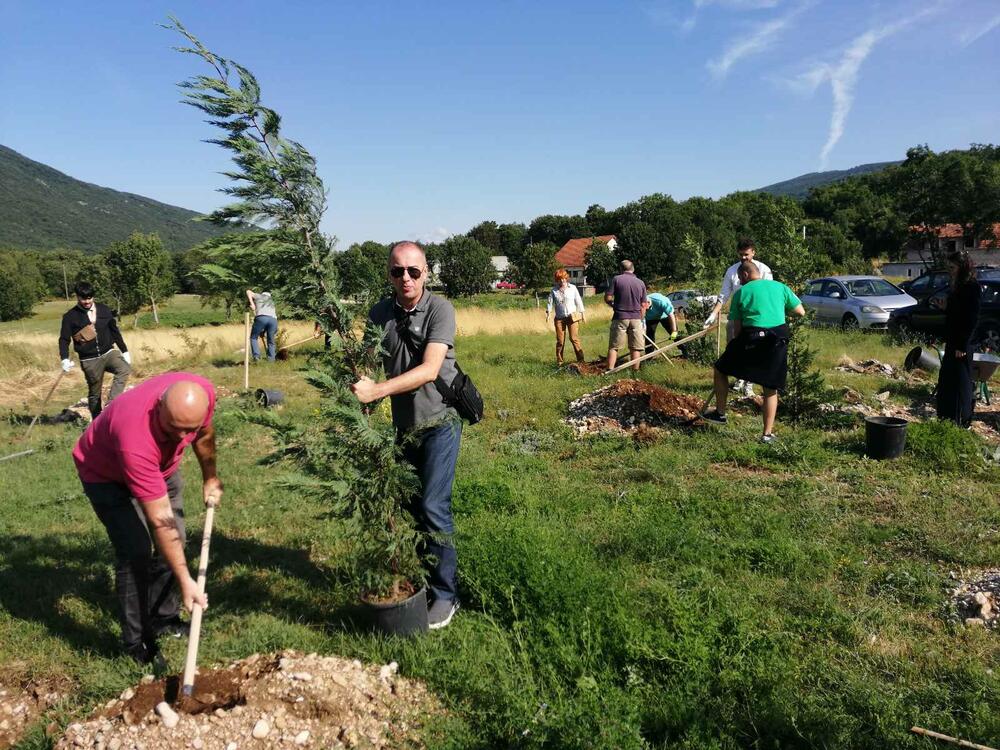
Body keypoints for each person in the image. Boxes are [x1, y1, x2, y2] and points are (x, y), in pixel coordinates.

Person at [350, 241, 462, 630]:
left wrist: (377, 391)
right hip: (404, 427)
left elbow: (431, 368)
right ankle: (425, 574)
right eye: (398, 271)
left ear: (426, 273)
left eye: (414, 271)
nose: (406, 278)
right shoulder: (380, 312)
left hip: (439, 423)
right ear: (389, 274)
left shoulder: (440, 309)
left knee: (433, 506)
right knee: (413, 508)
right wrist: (356, 383)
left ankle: (446, 595)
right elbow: (366, 359)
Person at [73, 373, 222, 664]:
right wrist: (185, 580)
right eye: (173, 429)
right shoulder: (134, 436)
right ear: (158, 407)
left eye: (187, 430)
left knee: (175, 538)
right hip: (105, 475)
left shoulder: (201, 394)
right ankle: (137, 643)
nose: (182, 438)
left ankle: (163, 619)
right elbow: (160, 519)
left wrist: (210, 477)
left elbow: (203, 434)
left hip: (159, 470)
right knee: (136, 551)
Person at [702, 261, 805, 443]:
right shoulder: (780, 287)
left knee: (720, 369)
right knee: (770, 388)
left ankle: (720, 413)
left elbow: (737, 329)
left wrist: (734, 350)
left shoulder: (742, 292)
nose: (740, 282)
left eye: (740, 278)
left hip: (752, 337)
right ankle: (767, 434)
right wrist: (779, 311)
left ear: (746, 275)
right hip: (778, 339)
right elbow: (800, 312)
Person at [704, 239, 773, 397]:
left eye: (746, 254)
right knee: (735, 347)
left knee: (754, 350)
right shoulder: (732, 271)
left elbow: (768, 292)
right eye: (741, 254)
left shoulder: (763, 269)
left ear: (753, 252)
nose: (743, 258)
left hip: (756, 317)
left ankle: (749, 382)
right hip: (737, 316)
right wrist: (714, 313)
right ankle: (740, 378)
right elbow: (724, 294)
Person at [58, 281, 131, 419]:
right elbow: (64, 339)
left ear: (93, 297)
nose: (87, 301)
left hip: (108, 352)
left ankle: (112, 405)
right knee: (94, 394)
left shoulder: (104, 309)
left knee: (124, 368)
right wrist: (64, 358)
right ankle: (97, 422)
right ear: (77, 297)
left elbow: (114, 331)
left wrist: (124, 350)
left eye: (89, 298)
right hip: (89, 359)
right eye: (83, 298)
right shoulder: (70, 317)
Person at [936, 250, 981, 426]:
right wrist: (945, 307)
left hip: (962, 343)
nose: (950, 270)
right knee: (947, 381)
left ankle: (962, 420)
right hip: (953, 340)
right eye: (948, 267)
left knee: (960, 382)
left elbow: (971, 319)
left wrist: (962, 345)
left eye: (953, 267)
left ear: (962, 267)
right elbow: (956, 313)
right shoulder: (958, 286)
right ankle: (946, 419)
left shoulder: (971, 287)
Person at [604, 260, 648, 372]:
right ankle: (635, 371)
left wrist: (613, 305)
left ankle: (610, 370)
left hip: (620, 316)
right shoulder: (640, 283)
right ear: (633, 269)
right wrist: (641, 318)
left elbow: (608, 298)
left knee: (614, 346)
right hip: (636, 317)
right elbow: (644, 304)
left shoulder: (616, 279)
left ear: (621, 269)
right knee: (635, 347)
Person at [545, 269, 586, 365]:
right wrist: (548, 314)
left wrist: (583, 314)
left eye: (563, 278)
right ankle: (560, 361)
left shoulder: (573, 288)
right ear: (557, 280)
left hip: (572, 317)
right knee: (560, 341)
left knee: (574, 338)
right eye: (560, 279)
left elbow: (578, 301)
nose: (562, 281)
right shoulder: (554, 290)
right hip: (559, 319)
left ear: (566, 278)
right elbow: (550, 303)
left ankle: (581, 360)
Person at [246, 289, 278, 362]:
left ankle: (257, 357)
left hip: (262, 318)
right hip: (273, 321)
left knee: (253, 337)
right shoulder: (271, 301)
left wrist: (252, 304)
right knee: (271, 340)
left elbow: (248, 291)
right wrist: (263, 331)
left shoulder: (259, 296)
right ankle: (271, 360)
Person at [644, 290, 678, 355]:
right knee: (649, 336)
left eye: (646, 309)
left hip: (665, 315)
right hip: (651, 318)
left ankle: (686, 351)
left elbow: (671, 315)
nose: (645, 310)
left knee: (675, 334)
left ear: (648, 303)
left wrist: (674, 331)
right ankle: (649, 356)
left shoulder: (660, 301)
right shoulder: (642, 303)